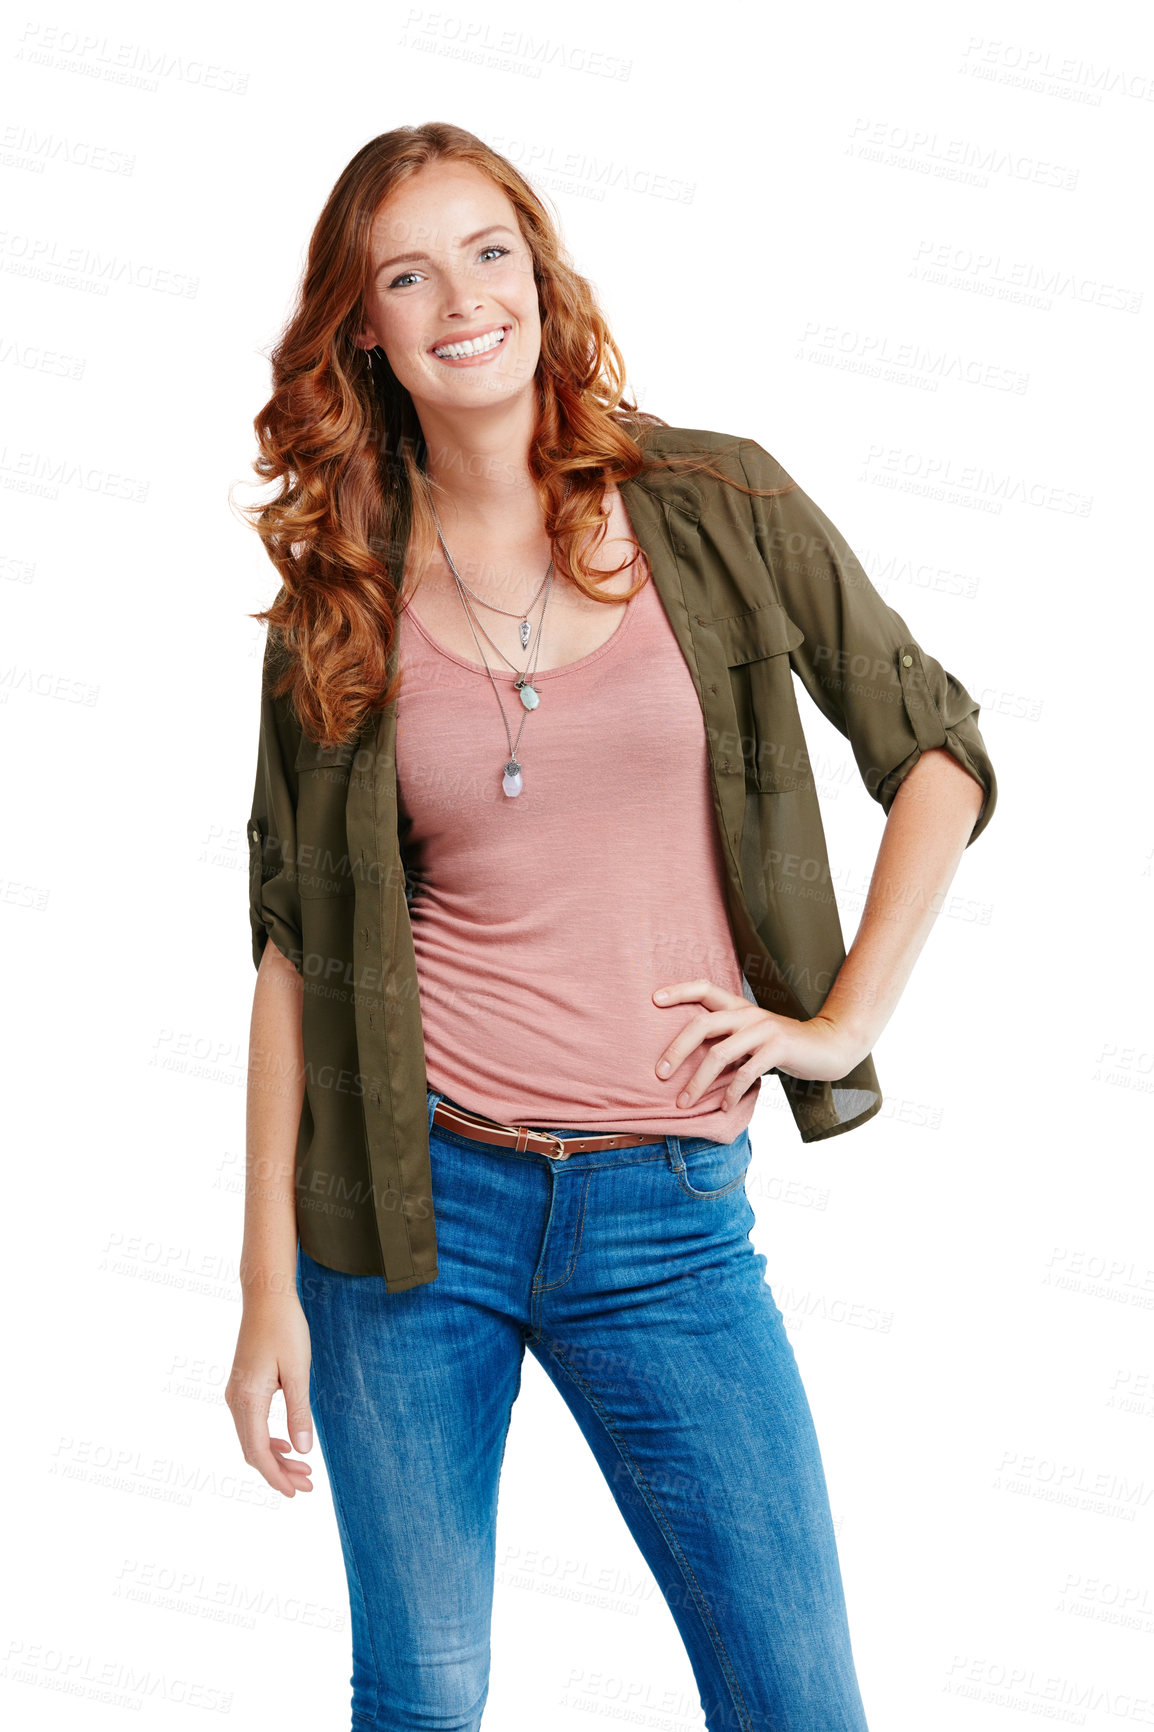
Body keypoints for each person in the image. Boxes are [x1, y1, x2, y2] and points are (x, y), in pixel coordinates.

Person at [226, 122, 996, 1732]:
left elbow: (930, 745)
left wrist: (843, 1020)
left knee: (797, 1701)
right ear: (362, 326)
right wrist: (263, 1296)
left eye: (488, 249)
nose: (461, 299)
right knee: (421, 1699)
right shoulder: (338, 598)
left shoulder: (712, 502)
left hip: (663, 1211)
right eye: (407, 272)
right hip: (404, 1217)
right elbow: (294, 948)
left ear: (539, 267)